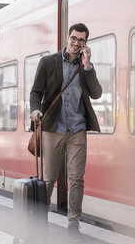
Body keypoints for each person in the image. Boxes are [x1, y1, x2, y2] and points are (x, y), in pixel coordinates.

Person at [30, 23, 102, 234]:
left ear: (85, 44)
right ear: (67, 38)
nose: (76, 42)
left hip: (77, 129)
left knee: (77, 178)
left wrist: (88, 66)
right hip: (53, 128)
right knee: (48, 179)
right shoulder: (48, 62)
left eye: (81, 40)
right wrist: (35, 110)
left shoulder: (84, 66)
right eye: (73, 38)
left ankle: (73, 225)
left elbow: (96, 93)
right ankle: (39, 222)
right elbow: (36, 92)